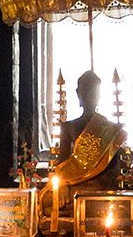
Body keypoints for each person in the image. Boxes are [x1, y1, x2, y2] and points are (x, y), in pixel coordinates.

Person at [54, 70, 126, 214]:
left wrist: (99, 185)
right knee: (48, 199)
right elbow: (62, 164)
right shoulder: (68, 127)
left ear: (99, 95)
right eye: (86, 92)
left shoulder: (110, 128)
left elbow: (114, 168)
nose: (90, 96)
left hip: (101, 188)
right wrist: (62, 185)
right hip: (75, 187)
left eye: (93, 92)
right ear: (78, 94)